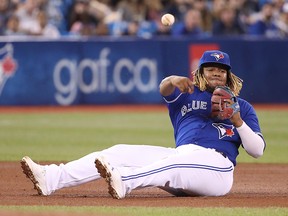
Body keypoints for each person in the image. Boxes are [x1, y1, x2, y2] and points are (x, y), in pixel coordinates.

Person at [21, 50, 266, 199]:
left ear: (228, 75)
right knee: (118, 152)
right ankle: (51, 177)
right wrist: (172, 79)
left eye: (221, 71)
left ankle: (125, 181)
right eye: (210, 69)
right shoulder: (187, 93)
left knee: (175, 163)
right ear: (200, 72)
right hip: (182, 156)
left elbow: (257, 150)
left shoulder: (242, 106)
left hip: (216, 169)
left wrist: (237, 121)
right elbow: (164, 89)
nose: (216, 73)